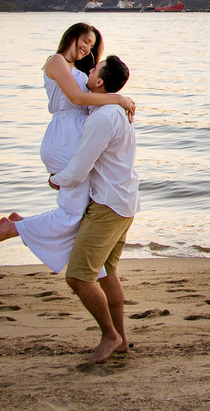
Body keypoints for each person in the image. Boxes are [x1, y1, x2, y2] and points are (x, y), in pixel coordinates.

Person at [0, 23, 135, 271]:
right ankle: (15, 228)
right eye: (85, 40)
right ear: (72, 36)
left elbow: (91, 97)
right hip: (65, 137)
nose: (87, 48)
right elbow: (76, 98)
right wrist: (117, 98)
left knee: (80, 211)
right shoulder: (56, 61)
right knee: (73, 212)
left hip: (75, 135)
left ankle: (27, 228)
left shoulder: (77, 70)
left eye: (92, 45)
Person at [49, 55, 140, 363]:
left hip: (108, 206)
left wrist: (56, 180)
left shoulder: (103, 118)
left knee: (78, 277)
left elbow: (79, 169)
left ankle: (110, 336)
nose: (88, 69)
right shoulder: (112, 110)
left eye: (93, 69)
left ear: (99, 81)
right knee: (107, 274)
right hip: (124, 202)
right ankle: (121, 339)